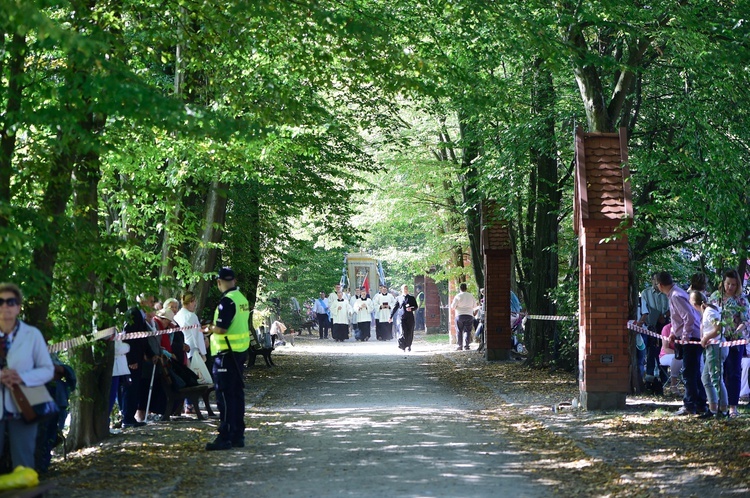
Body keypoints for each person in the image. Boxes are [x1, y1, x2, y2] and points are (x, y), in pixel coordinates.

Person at [0, 283, 55, 471]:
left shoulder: (32, 335)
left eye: (10, 302)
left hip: (25, 405)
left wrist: (21, 377)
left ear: (18, 307)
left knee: (24, 463)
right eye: (0, 302)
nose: (5, 306)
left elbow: (47, 369)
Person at [206, 267, 250, 451]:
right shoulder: (242, 299)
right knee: (237, 394)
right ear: (234, 280)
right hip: (239, 353)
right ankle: (238, 434)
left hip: (225, 354)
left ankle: (225, 436)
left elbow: (222, 328)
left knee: (224, 396)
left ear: (219, 282)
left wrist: (209, 327)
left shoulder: (227, 302)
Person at [657, 272, 707, 415]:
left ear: (660, 285)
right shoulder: (675, 294)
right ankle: (700, 404)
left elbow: (689, 317)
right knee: (693, 373)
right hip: (688, 337)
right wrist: (673, 332)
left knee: (689, 373)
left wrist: (685, 336)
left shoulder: (676, 295)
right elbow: (678, 318)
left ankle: (690, 405)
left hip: (691, 339)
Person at [709, 269, 749, 419]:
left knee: (733, 373)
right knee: (718, 372)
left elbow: (745, 321)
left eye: (733, 284)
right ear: (723, 283)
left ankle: (733, 406)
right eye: (727, 284)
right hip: (717, 340)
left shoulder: (742, 300)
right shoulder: (715, 297)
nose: (730, 287)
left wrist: (736, 332)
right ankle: (718, 404)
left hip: (735, 341)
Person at [690, 291, 728, 419]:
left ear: (695, 304)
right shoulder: (708, 311)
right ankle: (712, 409)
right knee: (706, 378)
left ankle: (723, 410)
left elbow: (719, 328)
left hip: (716, 347)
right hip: (712, 347)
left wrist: (706, 337)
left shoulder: (709, 312)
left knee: (716, 378)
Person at [122, 293, 156, 428]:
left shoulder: (140, 316)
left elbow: (143, 339)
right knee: (130, 388)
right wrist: (131, 359)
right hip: (133, 359)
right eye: (151, 302)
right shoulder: (133, 314)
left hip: (139, 358)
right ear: (142, 302)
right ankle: (127, 417)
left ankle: (130, 416)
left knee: (135, 388)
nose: (153, 305)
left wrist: (150, 354)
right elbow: (129, 338)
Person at [637, 273, 670, 384]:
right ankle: (649, 378)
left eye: (658, 281)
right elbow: (644, 310)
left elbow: (672, 308)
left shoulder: (667, 293)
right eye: (654, 281)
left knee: (664, 350)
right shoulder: (646, 293)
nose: (656, 283)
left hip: (665, 325)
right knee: (651, 351)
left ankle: (664, 377)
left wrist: (664, 316)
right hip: (650, 326)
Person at [175, 292, 212, 385]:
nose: (195, 304)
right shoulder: (192, 316)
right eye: (194, 301)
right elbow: (198, 336)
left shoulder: (177, 315)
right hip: (192, 349)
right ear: (190, 302)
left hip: (182, 349)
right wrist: (203, 353)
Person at [109, 332, 131, 424]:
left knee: (114, 396)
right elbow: (116, 348)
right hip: (113, 369)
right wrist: (127, 346)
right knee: (111, 397)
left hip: (118, 369)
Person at [390, 285, 419, 352]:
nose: (405, 290)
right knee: (402, 331)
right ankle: (403, 345)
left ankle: (409, 345)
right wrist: (390, 316)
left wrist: (411, 308)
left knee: (409, 331)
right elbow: (395, 308)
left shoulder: (411, 298)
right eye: (404, 289)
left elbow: (416, 307)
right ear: (401, 290)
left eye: (406, 289)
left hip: (410, 317)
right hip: (401, 317)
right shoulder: (398, 298)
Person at [451, 283, 477, 351]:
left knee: (459, 331)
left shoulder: (458, 296)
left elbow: (453, 307)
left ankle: (459, 346)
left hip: (459, 315)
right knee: (467, 331)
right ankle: (466, 346)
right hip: (469, 315)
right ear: (466, 288)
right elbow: (475, 306)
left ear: (460, 288)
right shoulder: (471, 296)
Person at [659, 323, 683, 396]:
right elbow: (666, 348)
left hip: (683, 355)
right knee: (677, 358)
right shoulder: (666, 328)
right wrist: (680, 354)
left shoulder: (686, 327)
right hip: (665, 355)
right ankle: (673, 385)